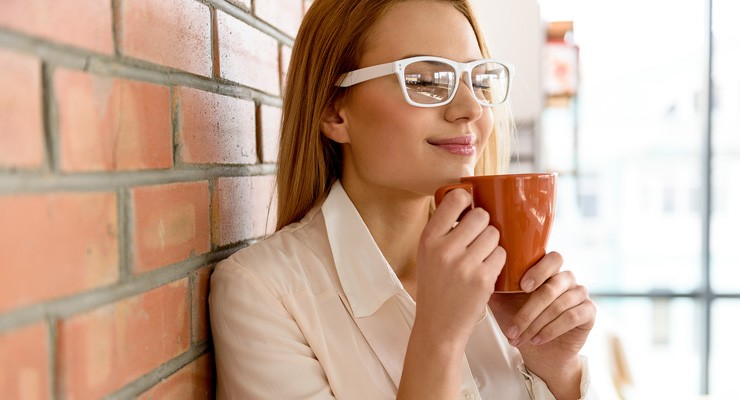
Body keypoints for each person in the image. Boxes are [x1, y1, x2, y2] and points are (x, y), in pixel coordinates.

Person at [209, 0, 597, 398]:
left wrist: (557, 371)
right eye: (425, 81)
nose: (470, 108)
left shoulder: (503, 280)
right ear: (333, 111)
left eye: (478, 80)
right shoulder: (262, 294)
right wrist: (438, 338)